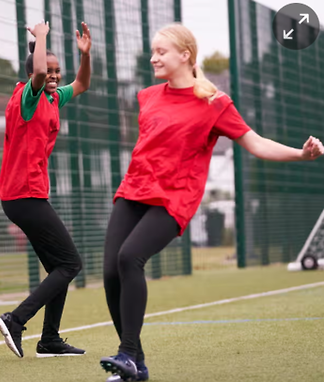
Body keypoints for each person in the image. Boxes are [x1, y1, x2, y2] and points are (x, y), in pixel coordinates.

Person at [100, 23, 323, 382]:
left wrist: (301, 154)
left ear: (185, 55)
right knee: (111, 272)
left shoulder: (215, 103)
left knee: (130, 258)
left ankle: (126, 354)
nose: (153, 57)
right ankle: (135, 364)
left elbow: (256, 143)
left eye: (161, 51)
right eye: (153, 51)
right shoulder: (146, 96)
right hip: (134, 190)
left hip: (174, 199)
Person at [0, 20, 92, 358]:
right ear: (35, 71)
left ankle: (50, 340)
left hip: (27, 195)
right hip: (24, 195)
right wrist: (42, 38)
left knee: (60, 268)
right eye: (47, 70)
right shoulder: (28, 95)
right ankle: (16, 319)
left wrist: (86, 55)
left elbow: (82, 83)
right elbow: (36, 74)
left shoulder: (52, 97)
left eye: (56, 70)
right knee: (70, 263)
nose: (53, 75)